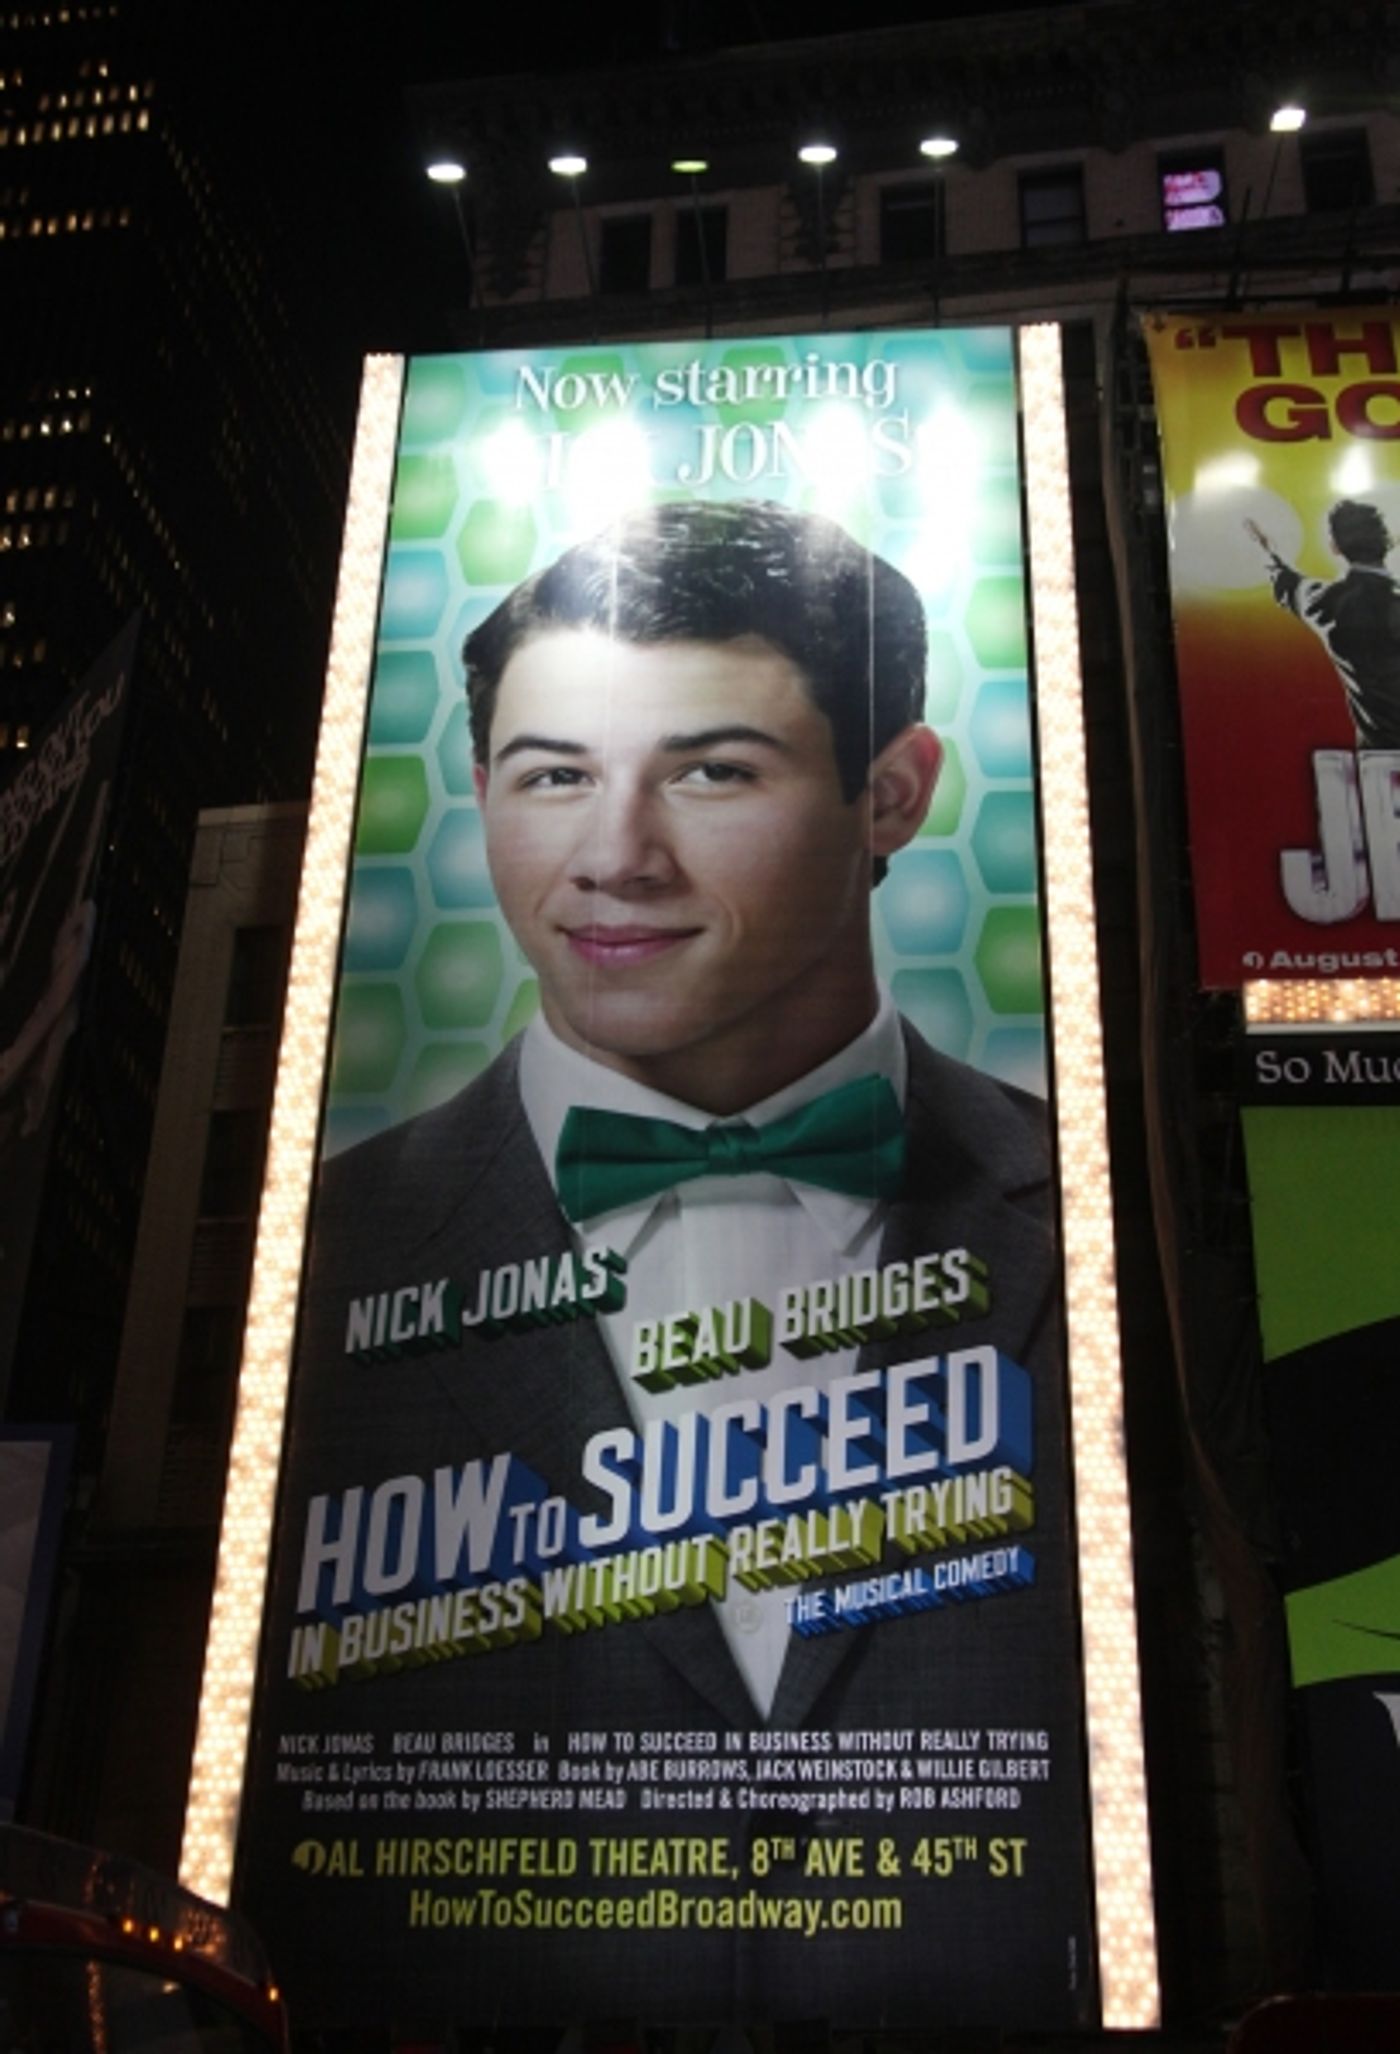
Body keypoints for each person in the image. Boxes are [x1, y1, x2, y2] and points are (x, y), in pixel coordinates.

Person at [251, 501, 1088, 2024]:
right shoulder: (324, 1259)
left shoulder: (1103, 1220)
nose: (613, 857)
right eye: (554, 775)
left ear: (892, 794)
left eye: (712, 770)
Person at [1248, 499, 1400, 748]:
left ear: (1335, 547)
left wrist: (1268, 551)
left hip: (1375, 759)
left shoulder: (1325, 603)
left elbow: (1288, 584)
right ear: (1387, 541)